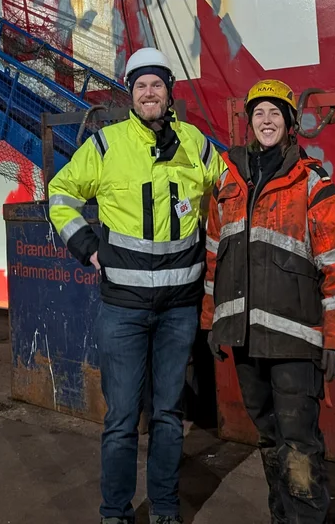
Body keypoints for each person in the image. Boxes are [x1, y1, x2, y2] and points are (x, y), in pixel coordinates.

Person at [47, 47, 226, 524]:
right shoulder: (106, 146)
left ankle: (166, 509)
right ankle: (115, 513)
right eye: (141, 85)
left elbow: (232, 189)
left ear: (170, 92)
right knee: (122, 421)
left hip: (179, 310)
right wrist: (88, 246)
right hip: (123, 310)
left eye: (158, 84)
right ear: (131, 94)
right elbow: (60, 194)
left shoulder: (194, 143)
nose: (150, 93)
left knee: (169, 418)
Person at [200, 80, 335, 524]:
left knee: (298, 441)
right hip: (247, 341)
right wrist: (212, 321)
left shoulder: (310, 183)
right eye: (259, 113)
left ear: (290, 123)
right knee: (268, 438)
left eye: (275, 113)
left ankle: (307, 518)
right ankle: (282, 518)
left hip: (294, 341)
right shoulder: (228, 181)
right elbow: (215, 256)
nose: (266, 121)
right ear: (249, 122)